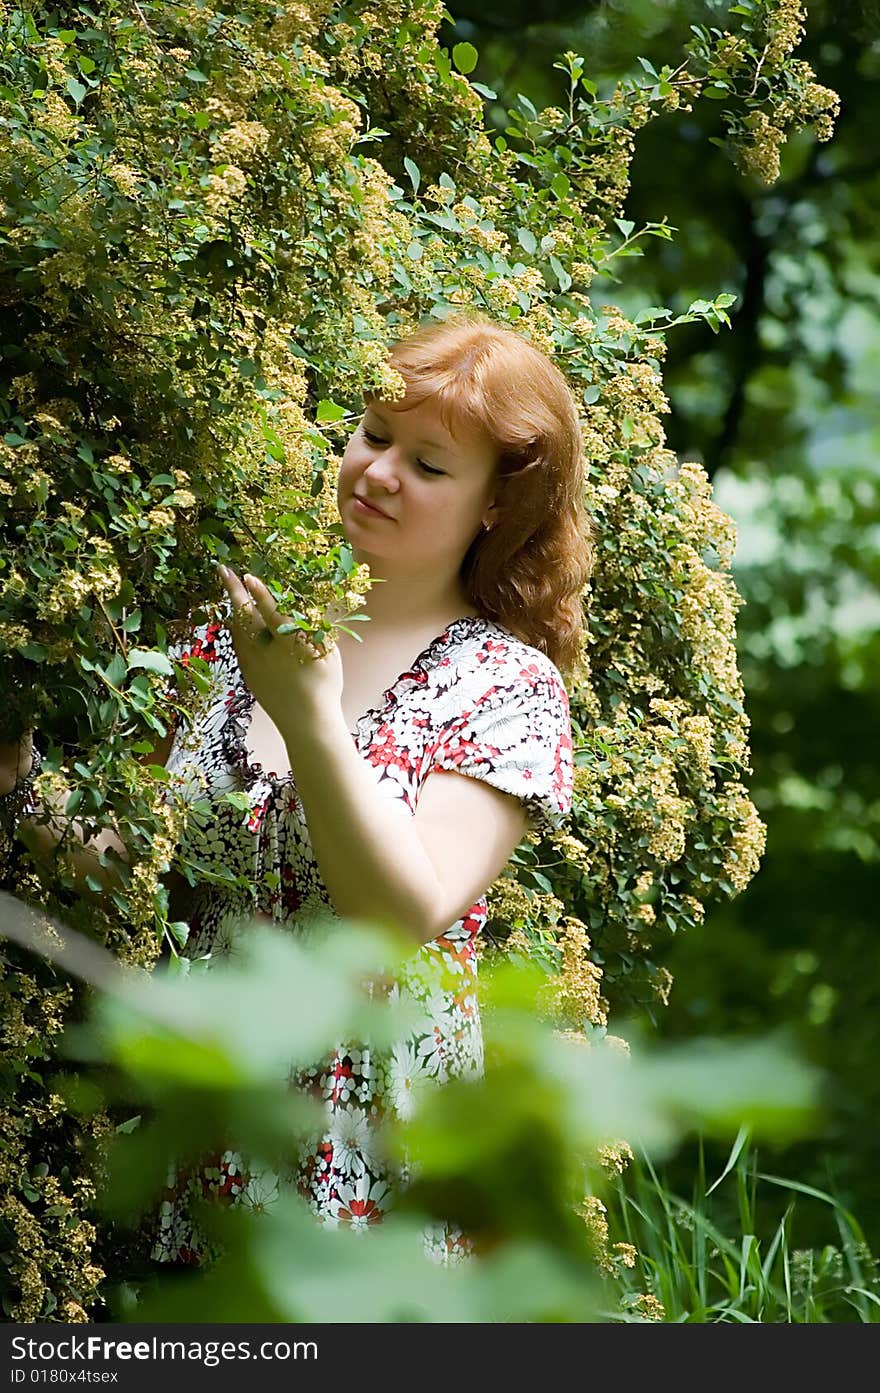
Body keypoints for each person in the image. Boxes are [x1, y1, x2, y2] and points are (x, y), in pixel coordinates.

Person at [0, 310, 593, 1263]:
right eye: (373, 433)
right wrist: (16, 776)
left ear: (496, 504)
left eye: (431, 464)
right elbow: (135, 868)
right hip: (203, 1124)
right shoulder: (233, 632)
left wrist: (311, 720)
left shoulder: (506, 687)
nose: (380, 471)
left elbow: (403, 911)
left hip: (373, 1159)